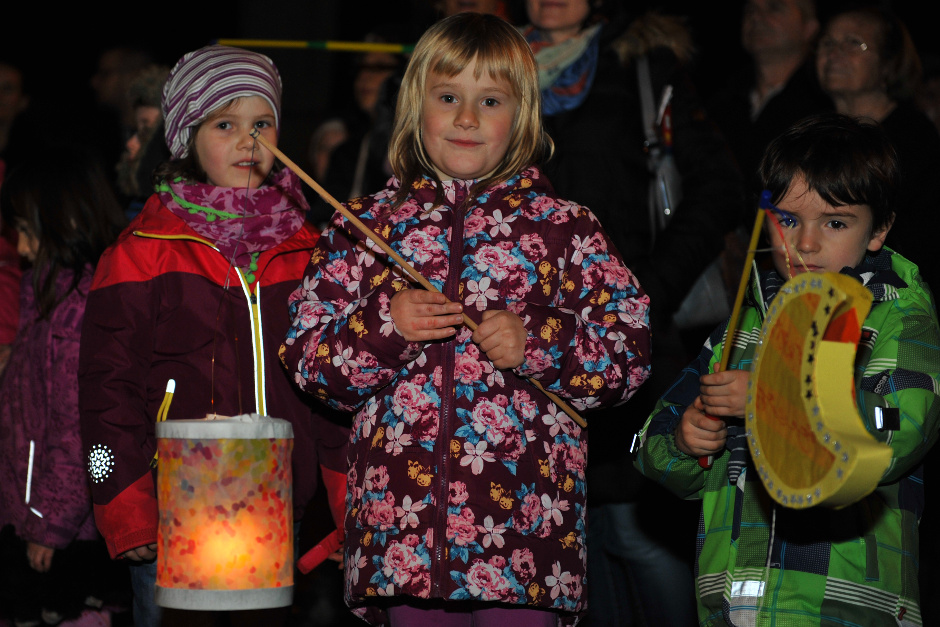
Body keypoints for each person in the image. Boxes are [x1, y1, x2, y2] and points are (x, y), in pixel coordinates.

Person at [280, 12, 652, 627]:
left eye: (490, 100)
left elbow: (630, 350)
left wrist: (539, 340)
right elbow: (310, 360)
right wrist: (384, 327)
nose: (467, 118)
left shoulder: (565, 228)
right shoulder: (364, 227)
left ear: (523, 114)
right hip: (401, 530)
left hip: (526, 531)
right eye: (448, 96)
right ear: (414, 104)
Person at [78, 45, 349, 627]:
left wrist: (351, 506)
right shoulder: (141, 253)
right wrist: (121, 509)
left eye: (262, 123)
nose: (248, 141)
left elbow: (332, 396)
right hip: (172, 507)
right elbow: (104, 396)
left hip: (279, 505)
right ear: (187, 138)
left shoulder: (309, 252)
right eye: (225, 125)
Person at [634, 113, 940, 626]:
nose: (807, 243)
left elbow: (897, 431)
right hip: (732, 604)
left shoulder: (895, 316)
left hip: (842, 605)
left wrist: (775, 396)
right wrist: (686, 442)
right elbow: (648, 445)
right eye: (789, 221)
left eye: (836, 222)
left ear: (879, 229)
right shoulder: (744, 323)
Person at [521, 2, 746, 624]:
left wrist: (645, 294)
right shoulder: (497, 65)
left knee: (634, 529)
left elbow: (720, 185)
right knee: (573, 540)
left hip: (632, 338)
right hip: (530, 341)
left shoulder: (642, 61)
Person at [0, 150, 129, 627]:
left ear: (64, 221)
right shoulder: (41, 294)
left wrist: (50, 526)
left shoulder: (77, 312)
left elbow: (83, 437)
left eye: (26, 229)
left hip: (66, 539)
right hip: (33, 517)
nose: (21, 245)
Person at [816, 3, 940, 292]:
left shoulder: (913, 137)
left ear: (888, 64)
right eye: (827, 43)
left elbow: (924, 238)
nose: (834, 53)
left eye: (852, 43)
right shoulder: (813, 134)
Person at [706, 0, 833, 196]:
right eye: (750, 10)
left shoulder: (826, 105)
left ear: (809, 28)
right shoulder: (721, 101)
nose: (756, 17)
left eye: (775, 7)